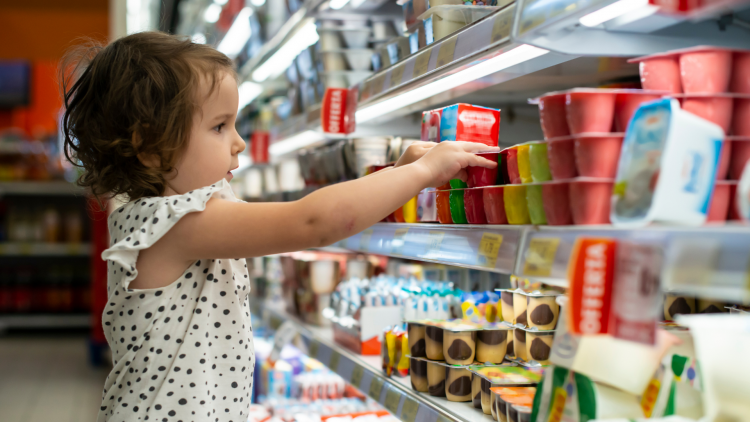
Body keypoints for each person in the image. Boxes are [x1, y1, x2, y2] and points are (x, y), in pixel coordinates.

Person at [61, 31, 497, 422]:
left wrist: (393, 174)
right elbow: (314, 220)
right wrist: (421, 175)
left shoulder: (184, 213)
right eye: (219, 126)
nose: (239, 142)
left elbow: (323, 213)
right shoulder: (174, 223)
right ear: (149, 148)